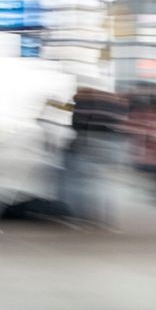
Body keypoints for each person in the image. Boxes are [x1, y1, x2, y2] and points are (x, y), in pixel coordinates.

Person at [58, 86, 127, 228]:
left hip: (89, 143)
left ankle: (83, 216)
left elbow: (77, 125)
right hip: (112, 144)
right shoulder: (113, 105)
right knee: (103, 182)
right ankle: (106, 218)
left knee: (81, 182)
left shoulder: (83, 104)